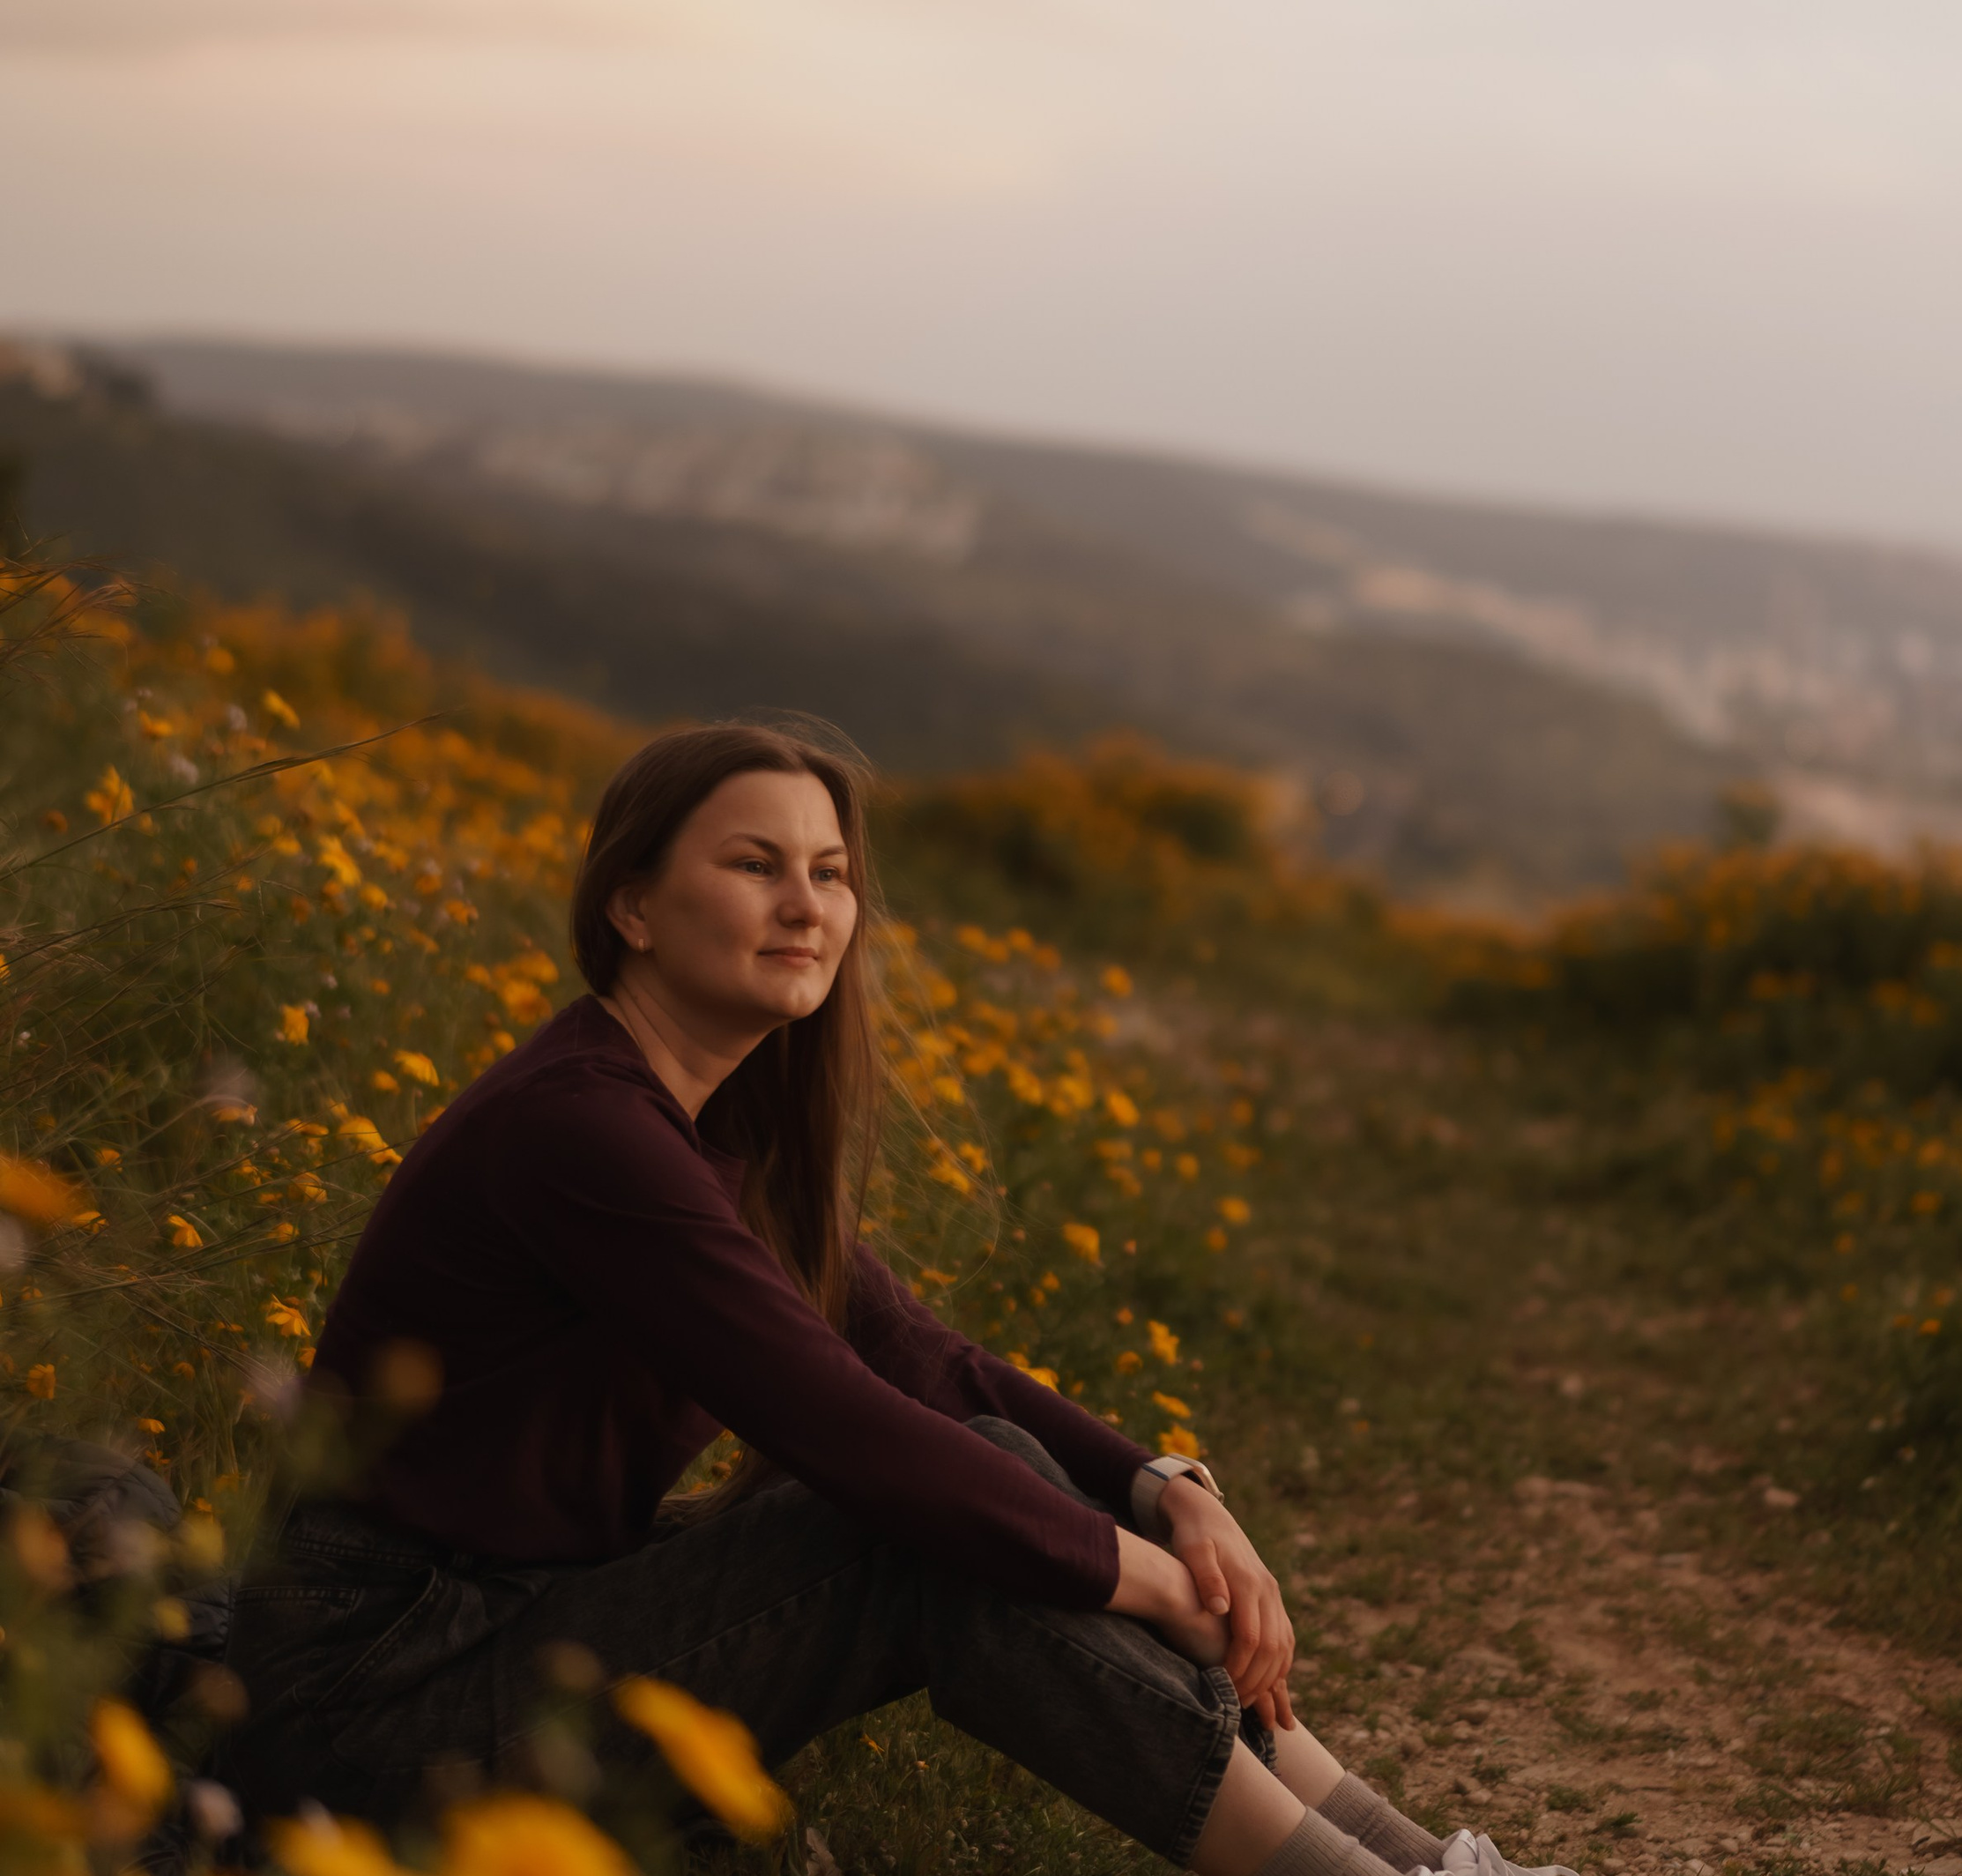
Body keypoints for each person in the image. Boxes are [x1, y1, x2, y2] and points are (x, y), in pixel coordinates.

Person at [215, 725, 1569, 1876]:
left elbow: (928, 1364)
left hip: (502, 1626)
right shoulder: (581, 1132)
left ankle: (1405, 1856)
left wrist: (1166, 1493)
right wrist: (1140, 1578)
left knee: (992, 1474)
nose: (807, 904)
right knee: (914, 1527)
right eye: (754, 866)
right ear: (629, 905)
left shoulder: (701, 1129)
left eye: (830, 873)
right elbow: (845, 1427)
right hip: (375, 1699)